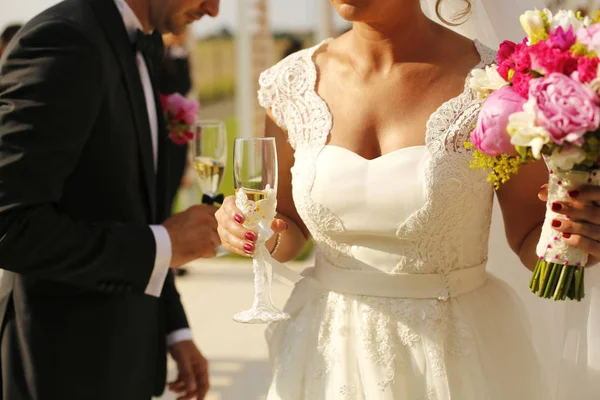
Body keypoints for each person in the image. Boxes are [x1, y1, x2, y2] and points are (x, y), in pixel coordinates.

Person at [214, 0, 585, 398]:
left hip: (453, 357)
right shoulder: (291, 84)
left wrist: (575, 233)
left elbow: (532, 234)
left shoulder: (498, 84)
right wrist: (251, 232)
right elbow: (288, 229)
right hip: (327, 354)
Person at [0, 0, 219, 399]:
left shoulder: (134, 43)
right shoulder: (65, 40)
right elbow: (9, 225)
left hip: (127, 357)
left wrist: (175, 327)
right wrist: (164, 245)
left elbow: (136, 210)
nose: (214, 10)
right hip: (63, 370)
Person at [159, 29, 196, 277]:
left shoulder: (178, 56)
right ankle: (164, 256)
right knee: (160, 198)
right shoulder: (152, 56)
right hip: (160, 138)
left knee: (171, 195)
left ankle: (172, 257)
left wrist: (180, 52)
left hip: (176, 138)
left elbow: (185, 85)